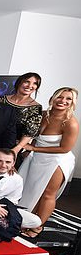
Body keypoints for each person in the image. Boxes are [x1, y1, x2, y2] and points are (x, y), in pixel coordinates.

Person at [18, 87, 79, 236]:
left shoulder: (71, 123)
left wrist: (33, 149)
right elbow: (30, 134)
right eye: (59, 97)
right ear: (52, 98)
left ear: (72, 103)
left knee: (47, 193)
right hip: (36, 157)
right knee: (30, 189)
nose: (63, 101)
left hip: (58, 160)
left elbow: (64, 148)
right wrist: (27, 149)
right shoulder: (43, 114)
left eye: (68, 99)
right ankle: (26, 220)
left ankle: (37, 226)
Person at [0, 73, 43, 156]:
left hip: (12, 149)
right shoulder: (1, 100)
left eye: (35, 83)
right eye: (27, 82)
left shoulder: (36, 108)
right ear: (19, 82)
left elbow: (29, 133)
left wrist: (15, 150)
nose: (30, 86)